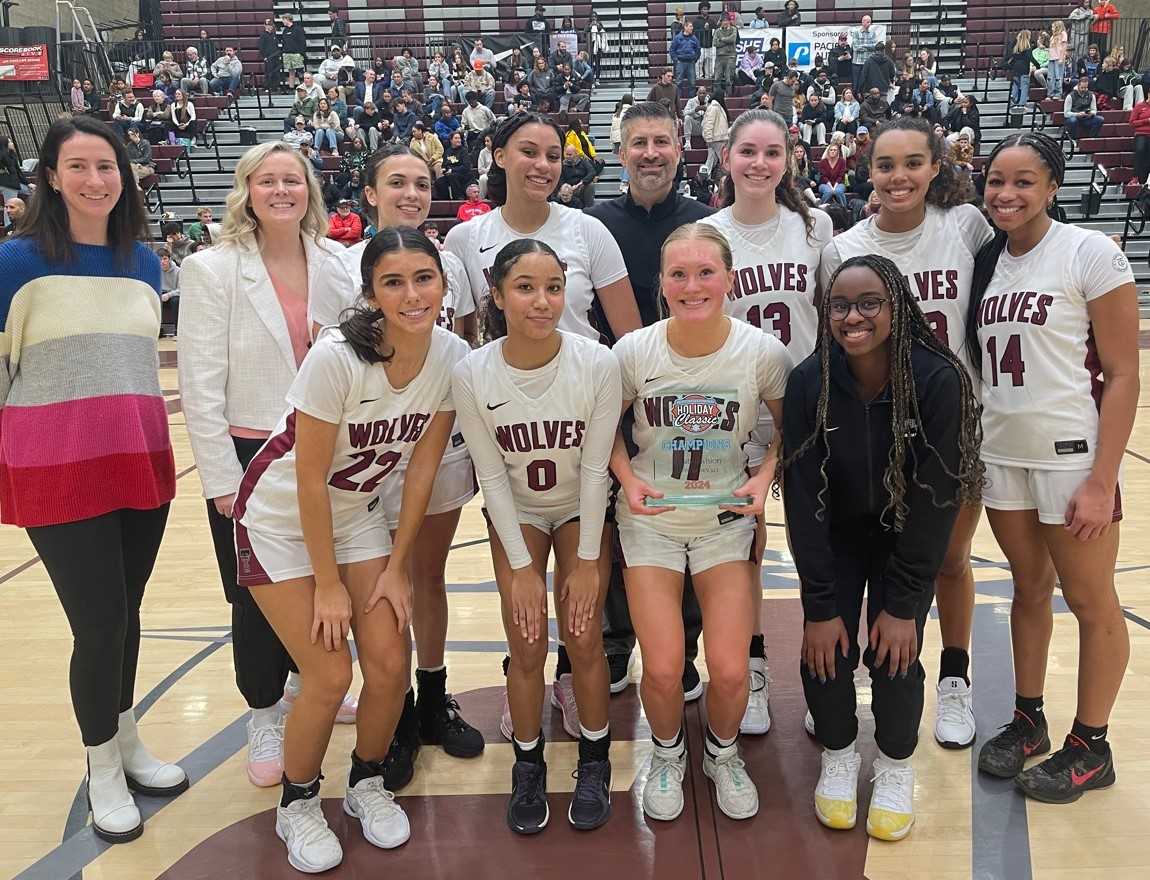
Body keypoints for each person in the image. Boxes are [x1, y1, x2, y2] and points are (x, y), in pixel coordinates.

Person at [233, 226, 465, 871]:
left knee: (391, 661)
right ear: (371, 293)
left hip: (358, 515)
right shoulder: (337, 355)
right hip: (280, 521)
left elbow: (421, 469)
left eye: (424, 278)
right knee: (331, 673)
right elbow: (307, 477)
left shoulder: (450, 354)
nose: (413, 294)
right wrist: (330, 584)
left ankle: (365, 782)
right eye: (394, 282)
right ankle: (298, 803)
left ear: (443, 283)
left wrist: (396, 568)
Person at [0, 115, 188, 843]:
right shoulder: (14, 262)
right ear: (50, 177)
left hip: (136, 456)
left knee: (129, 611)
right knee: (99, 620)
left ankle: (128, 738)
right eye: (77, 167)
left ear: (126, 176)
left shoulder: (142, 262)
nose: (94, 180)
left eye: (106, 166)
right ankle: (99, 764)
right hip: (55, 465)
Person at [179, 142, 359, 792]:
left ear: (308, 189)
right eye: (268, 180)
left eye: (293, 179)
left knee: (319, 580)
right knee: (255, 598)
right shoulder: (211, 269)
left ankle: (311, 681)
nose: (282, 190)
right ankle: (263, 714)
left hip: (321, 448)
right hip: (252, 455)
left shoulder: (337, 262)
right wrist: (223, 480)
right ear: (246, 190)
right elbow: (200, 384)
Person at [784, 253, 982, 841]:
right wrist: (819, 605)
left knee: (896, 653)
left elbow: (935, 504)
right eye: (840, 305)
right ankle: (840, 755)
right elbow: (802, 501)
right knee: (824, 647)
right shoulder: (808, 381)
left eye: (870, 303)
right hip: (838, 536)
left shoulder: (937, 379)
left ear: (896, 308)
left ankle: (896, 766)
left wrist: (901, 606)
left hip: (904, 537)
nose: (854, 317)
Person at [965, 130, 1136, 804]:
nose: (1006, 194)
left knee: (1093, 603)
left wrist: (1101, 480)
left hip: (1072, 458)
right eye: (996, 181)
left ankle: (1092, 743)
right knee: (1027, 590)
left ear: (1053, 187)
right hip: (1002, 452)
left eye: (1023, 181)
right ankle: (1028, 719)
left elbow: (1122, 375)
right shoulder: (989, 261)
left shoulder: (1089, 251)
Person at [307, 144, 483, 789]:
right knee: (384, 582)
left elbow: (459, 341)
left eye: (422, 182)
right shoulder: (336, 266)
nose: (410, 192)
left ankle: (431, 696)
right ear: (370, 193)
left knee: (423, 574)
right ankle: (397, 708)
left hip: (426, 443)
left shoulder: (449, 260)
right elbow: (330, 363)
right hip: (361, 454)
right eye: (396, 182)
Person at [820, 116, 993, 750]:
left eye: (913, 163)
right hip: (871, 424)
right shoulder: (842, 248)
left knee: (948, 558)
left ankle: (954, 677)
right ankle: (839, 685)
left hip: (947, 422)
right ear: (869, 173)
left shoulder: (967, 229)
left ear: (935, 168)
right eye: (886, 165)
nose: (899, 177)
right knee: (864, 557)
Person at [611, 222, 792, 823]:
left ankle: (721, 751)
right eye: (679, 274)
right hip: (652, 520)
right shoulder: (634, 351)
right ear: (661, 283)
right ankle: (667, 753)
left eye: (705, 272)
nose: (693, 285)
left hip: (724, 519)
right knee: (662, 669)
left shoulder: (761, 353)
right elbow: (603, 429)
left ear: (729, 279)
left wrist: (766, 475)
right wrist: (628, 478)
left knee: (734, 668)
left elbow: (793, 429)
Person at [452, 239, 619, 834]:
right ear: (496, 295)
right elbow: (492, 474)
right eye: (525, 287)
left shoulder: (597, 361)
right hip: (517, 508)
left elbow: (598, 469)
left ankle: (594, 760)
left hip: (579, 506)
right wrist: (522, 568)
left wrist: (590, 562)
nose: (542, 301)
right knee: (525, 643)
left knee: (583, 637)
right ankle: (528, 764)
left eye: (554, 286)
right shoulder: (472, 372)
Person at [698, 109, 834, 736]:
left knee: (819, 551)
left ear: (790, 160)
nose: (759, 164)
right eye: (747, 151)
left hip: (805, 410)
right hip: (732, 413)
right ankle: (752, 670)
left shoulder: (816, 229)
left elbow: (839, 316)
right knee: (744, 551)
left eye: (772, 152)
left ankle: (821, 676)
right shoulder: (706, 231)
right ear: (726, 156)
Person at [587, 101, 712, 696]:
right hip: (614, 393)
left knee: (684, 513)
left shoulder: (707, 223)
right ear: (621, 152)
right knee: (615, 521)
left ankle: (683, 649)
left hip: (689, 395)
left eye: (661, 141)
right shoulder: (594, 223)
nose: (651, 153)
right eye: (639, 143)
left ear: (680, 147)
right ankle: (616, 644)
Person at [445, 113, 641, 345]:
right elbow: (460, 340)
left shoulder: (589, 230)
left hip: (580, 377)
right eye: (529, 152)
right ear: (500, 156)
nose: (542, 165)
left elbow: (632, 341)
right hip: (497, 378)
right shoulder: (463, 239)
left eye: (553, 156)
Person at [1002, 30, 1036, 110]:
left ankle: (1012, 102)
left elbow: (1013, 58)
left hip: (1016, 69)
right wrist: (1038, 65)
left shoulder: (1016, 47)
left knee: (1015, 86)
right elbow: (1030, 58)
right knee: (1024, 86)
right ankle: (1022, 104)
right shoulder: (1027, 48)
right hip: (1024, 69)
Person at [1064, 75, 1105, 140]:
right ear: (1078, 86)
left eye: (1085, 88)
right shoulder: (1070, 96)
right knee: (1072, 121)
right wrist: (1077, 114)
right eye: (1082, 87)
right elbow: (1066, 113)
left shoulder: (1091, 95)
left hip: (1086, 118)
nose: (1084, 89)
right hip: (1075, 117)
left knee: (1100, 119)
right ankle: (1073, 139)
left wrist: (1091, 113)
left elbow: (1094, 110)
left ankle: (1091, 138)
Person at [0, 135, 26, 228]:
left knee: (31, 191)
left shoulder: (12, 154)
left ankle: (28, 219)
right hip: (7, 184)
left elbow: (18, 171)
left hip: (15, 183)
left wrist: (28, 183)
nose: (12, 143)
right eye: (10, 142)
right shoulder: (2, 155)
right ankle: (9, 227)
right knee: (9, 204)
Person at [670, 21, 701, 99]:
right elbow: (672, 50)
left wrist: (695, 58)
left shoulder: (694, 38)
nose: (692, 28)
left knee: (692, 82)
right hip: (680, 62)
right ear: (685, 27)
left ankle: (692, 99)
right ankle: (678, 99)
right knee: (679, 82)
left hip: (691, 62)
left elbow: (698, 49)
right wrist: (675, 60)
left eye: (692, 26)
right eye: (690, 26)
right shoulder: (677, 38)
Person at [701, 92, 729, 177]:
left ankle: (704, 179)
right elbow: (709, 123)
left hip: (715, 139)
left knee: (710, 162)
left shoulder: (715, 107)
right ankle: (727, 181)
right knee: (724, 161)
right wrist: (708, 139)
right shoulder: (714, 107)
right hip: (717, 139)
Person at [278, 14, 306, 91]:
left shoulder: (297, 29)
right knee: (291, 71)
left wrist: (301, 52)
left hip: (296, 54)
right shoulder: (285, 30)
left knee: (300, 71)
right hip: (287, 54)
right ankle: (291, 88)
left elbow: (302, 42)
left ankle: (303, 87)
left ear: (287, 19)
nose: (282, 22)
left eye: (283, 20)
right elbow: (283, 42)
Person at [851, 14, 878, 91]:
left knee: (866, 83)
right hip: (857, 62)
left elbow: (875, 46)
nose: (869, 24)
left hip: (868, 62)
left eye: (870, 22)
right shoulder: (856, 33)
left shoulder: (873, 33)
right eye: (868, 22)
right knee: (856, 84)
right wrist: (868, 47)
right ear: (863, 22)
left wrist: (863, 46)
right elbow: (856, 47)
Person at [713, 14, 738, 92]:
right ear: (721, 22)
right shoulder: (717, 31)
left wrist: (722, 39)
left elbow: (733, 39)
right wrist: (727, 41)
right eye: (723, 21)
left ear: (729, 21)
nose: (725, 22)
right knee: (717, 78)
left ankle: (729, 96)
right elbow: (715, 43)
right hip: (719, 57)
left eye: (727, 20)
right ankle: (716, 96)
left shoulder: (734, 29)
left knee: (729, 79)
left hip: (730, 56)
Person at [692, 2, 716, 81]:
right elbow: (693, 34)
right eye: (704, 9)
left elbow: (714, 33)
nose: (705, 11)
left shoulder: (712, 21)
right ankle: (699, 77)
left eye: (707, 9)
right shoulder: (695, 22)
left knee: (709, 63)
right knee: (699, 62)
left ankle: (708, 78)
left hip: (709, 45)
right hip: (700, 46)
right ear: (700, 10)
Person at [1131, 94, 1150, 181]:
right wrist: (1146, 121)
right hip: (1141, 134)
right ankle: (1136, 177)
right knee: (1140, 150)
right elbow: (1132, 122)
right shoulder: (1139, 106)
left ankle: (1145, 179)